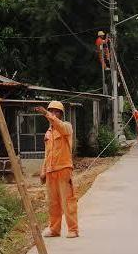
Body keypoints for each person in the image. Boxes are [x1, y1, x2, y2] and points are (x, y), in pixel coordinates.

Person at [35, 101, 79, 238]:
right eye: (51, 111)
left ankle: (73, 229)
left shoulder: (67, 127)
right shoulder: (48, 133)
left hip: (64, 169)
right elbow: (47, 154)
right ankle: (55, 229)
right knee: (53, 202)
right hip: (50, 171)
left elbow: (59, 125)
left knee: (68, 201)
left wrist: (46, 114)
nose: (53, 114)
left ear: (61, 114)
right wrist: (43, 171)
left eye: (56, 111)